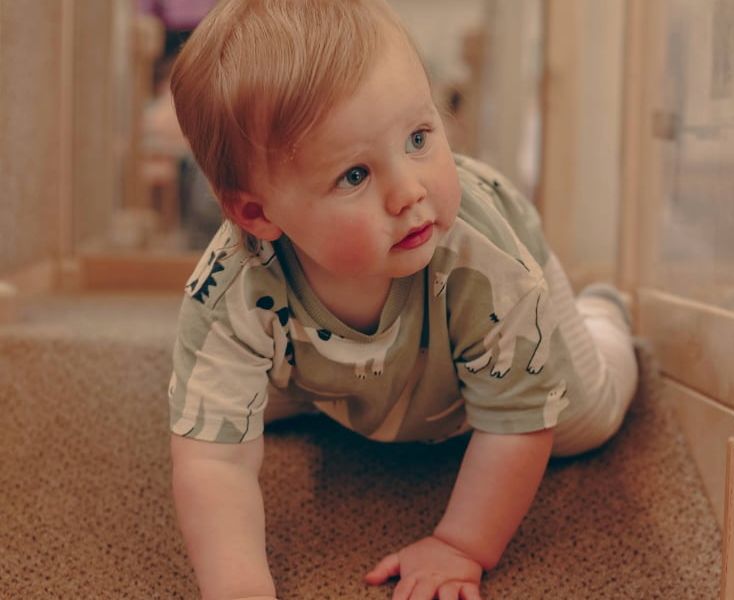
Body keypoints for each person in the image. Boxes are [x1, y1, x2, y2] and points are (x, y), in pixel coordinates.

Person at [167, 1, 638, 598]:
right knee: (215, 408)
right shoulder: (231, 292)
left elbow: (518, 423)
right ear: (257, 213)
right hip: (329, 352)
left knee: (582, 419)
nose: (410, 191)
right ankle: (346, 382)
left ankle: (605, 312)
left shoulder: (486, 262)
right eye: (355, 176)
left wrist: (460, 544)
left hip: (495, 331)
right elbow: (212, 462)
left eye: (419, 137)